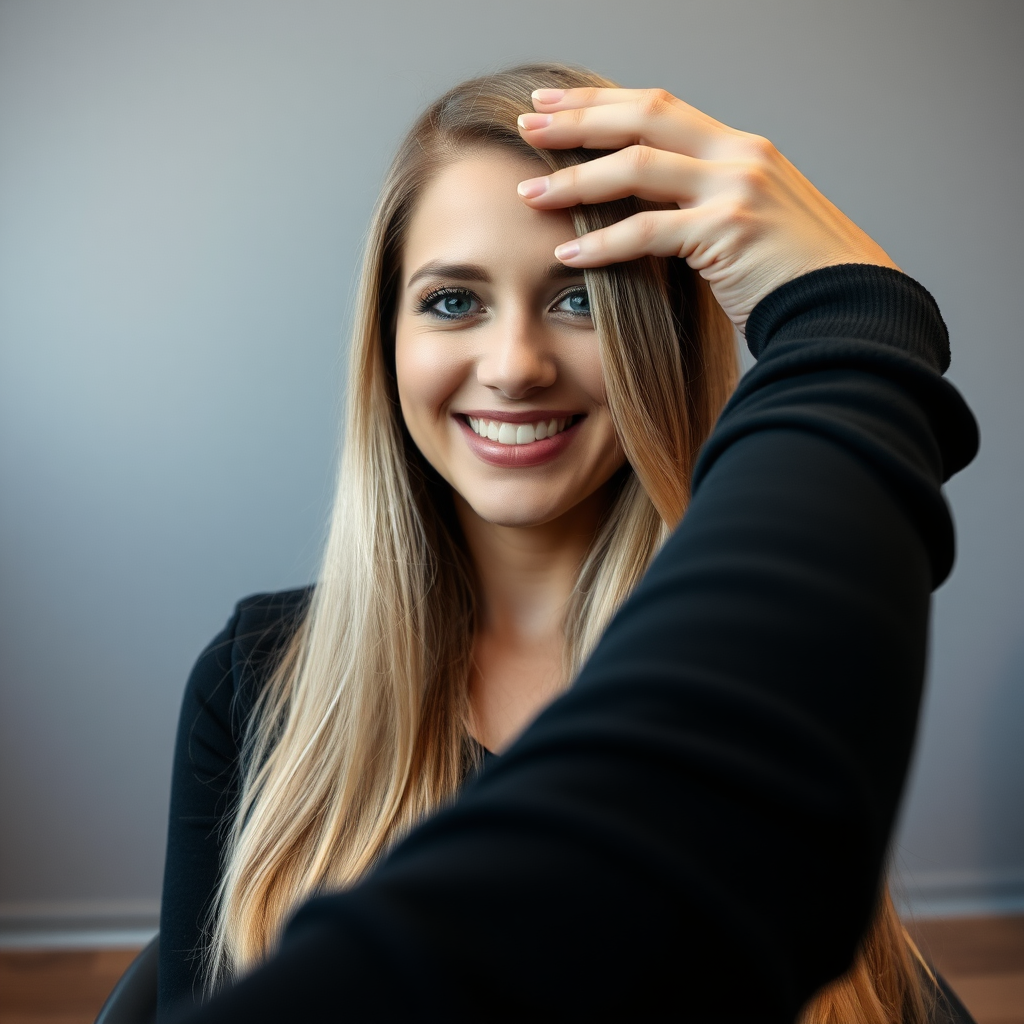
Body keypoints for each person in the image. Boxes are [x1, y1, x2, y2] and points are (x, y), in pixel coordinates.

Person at [160, 63, 978, 1022]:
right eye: (453, 301)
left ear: (658, 342)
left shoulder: (737, 661)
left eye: (580, 300)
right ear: (386, 340)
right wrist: (859, 313)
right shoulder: (255, 681)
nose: (513, 367)